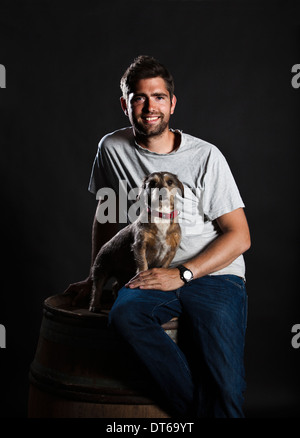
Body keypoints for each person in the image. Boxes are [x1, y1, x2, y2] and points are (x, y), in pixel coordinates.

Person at [64, 55, 251, 417]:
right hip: (151, 273)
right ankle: (202, 413)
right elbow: (106, 219)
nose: (150, 107)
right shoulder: (112, 149)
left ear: (172, 103)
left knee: (226, 385)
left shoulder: (205, 156)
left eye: (159, 97)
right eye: (138, 97)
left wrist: (183, 273)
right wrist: (94, 277)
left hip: (214, 275)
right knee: (125, 318)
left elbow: (240, 236)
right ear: (125, 104)